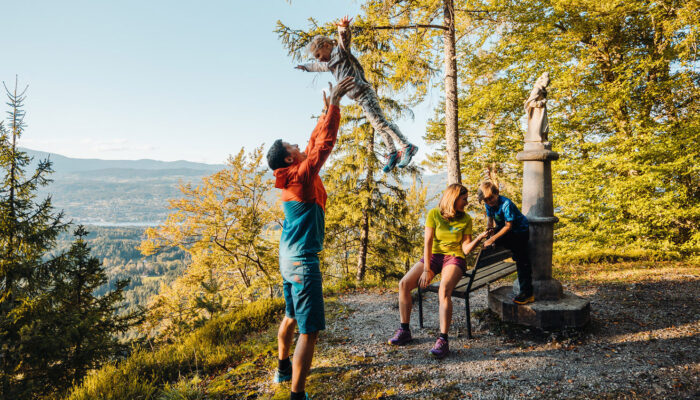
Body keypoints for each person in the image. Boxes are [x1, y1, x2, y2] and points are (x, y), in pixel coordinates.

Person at [267, 76, 355, 400]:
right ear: (289, 159)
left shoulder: (291, 174)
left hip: (287, 259)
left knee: (291, 315)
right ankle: (297, 394)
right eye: (293, 147)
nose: (298, 146)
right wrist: (335, 105)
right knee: (310, 330)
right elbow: (323, 147)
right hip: (302, 263)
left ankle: (282, 369)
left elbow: (313, 140)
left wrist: (324, 114)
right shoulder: (302, 176)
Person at [295, 16, 418, 173]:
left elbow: (344, 40)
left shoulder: (340, 52)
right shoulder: (330, 65)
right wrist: (306, 67)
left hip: (364, 92)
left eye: (319, 55)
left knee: (381, 123)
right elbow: (318, 67)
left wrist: (343, 28)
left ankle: (407, 146)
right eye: (317, 58)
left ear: (326, 45)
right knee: (378, 125)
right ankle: (393, 152)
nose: (320, 59)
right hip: (359, 98)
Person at [387, 184, 488, 359]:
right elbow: (428, 242)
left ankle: (443, 340)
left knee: (444, 290)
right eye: (464, 199)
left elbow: (464, 249)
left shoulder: (466, 219)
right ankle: (404, 330)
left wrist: (478, 238)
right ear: (454, 198)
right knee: (404, 284)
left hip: (454, 258)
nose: (466, 202)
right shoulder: (434, 214)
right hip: (433, 256)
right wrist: (426, 269)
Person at [479, 181, 534, 305]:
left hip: (519, 231)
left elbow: (508, 226)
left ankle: (527, 293)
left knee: (522, 261)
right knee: (518, 256)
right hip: (506, 230)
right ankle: (526, 291)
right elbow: (490, 222)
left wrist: (493, 239)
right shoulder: (488, 205)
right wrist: (490, 233)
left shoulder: (506, 204)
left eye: (491, 198)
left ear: (496, 193)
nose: (489, 202)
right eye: (486, 200)